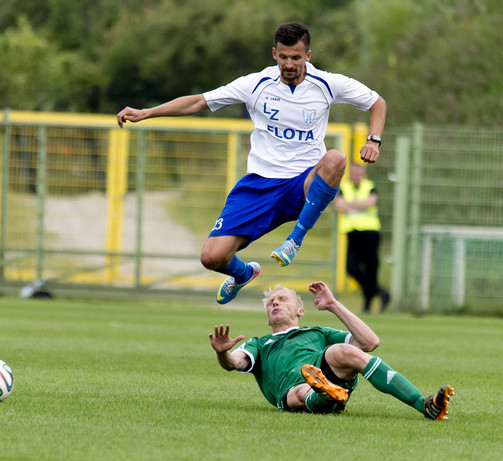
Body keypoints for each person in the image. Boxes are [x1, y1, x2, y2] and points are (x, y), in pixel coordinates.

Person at [117, 22, 386, 304]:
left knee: (336, 158)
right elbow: (199, 102)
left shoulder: (328, 84)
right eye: (283, 57)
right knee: (212, 257)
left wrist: (373, 140)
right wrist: (147, 112)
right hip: (259, 185)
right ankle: (244, 273)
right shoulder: (255, 84)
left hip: (302, 182)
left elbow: (376, 102)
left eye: (296, 57)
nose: (289, 64)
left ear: (308, 56)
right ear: (274, 54)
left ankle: (295, 239)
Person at [209, 281, 454, 419]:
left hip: (325, 374)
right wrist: (222, 353)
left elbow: (369, 342)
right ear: (267, 317)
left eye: (282, 299)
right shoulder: (259, 344)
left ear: (300, 311)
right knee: (301, 391)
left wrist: (334, 304)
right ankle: (325, 396)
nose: (275, 302)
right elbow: (235, 362)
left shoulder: (316, 333)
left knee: (343, 351)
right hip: (292, 390)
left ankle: (424, 404)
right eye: (271, 302)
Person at [335, 163, 390, 313]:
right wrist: (360, 204)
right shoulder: (344, 187)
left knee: (371, 268)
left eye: (359, 173)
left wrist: (350, 205)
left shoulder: (369, 186)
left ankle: (367, 304)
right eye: (354, 173)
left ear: (363, 174)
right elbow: (338, 205)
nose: (356, 176)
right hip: (353, 233)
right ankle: (380, 292)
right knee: (351, 268)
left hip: (370, 232)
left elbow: (371, 202)